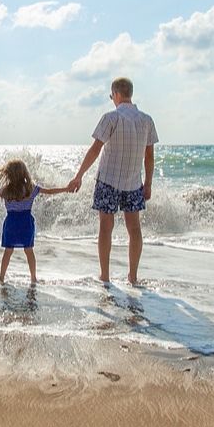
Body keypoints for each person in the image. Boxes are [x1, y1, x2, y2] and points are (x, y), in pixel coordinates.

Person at [68, 77, 158, 285]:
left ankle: (105, 276)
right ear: (130, 94)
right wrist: (149, 183)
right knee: (134, 230)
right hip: (134, 183)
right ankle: (133, 277)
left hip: (108, 180)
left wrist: (79, 175)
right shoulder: (146, 120)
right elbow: (150, 156)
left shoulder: (111, 118)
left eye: (111, 96)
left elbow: (95, 150)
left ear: (116, 94)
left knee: (105, 229)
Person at [0, 159, 69, 284]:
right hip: (26, 223)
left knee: (8, 251)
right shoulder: (31, 188)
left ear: (9, 174)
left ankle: (1, 277)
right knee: (29, 251)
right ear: (24, 173)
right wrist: (66, 189)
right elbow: (50, 191)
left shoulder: (5, 190)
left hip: (11, 223)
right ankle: (33, 278)